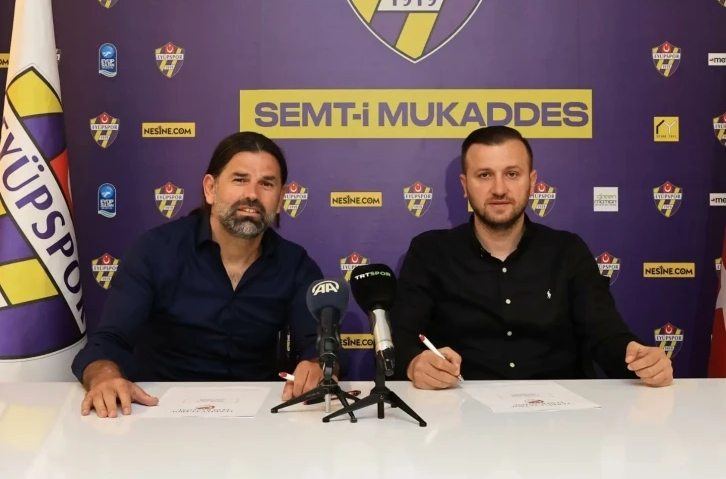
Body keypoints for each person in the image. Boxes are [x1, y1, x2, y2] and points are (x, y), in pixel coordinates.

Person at [391, 126, 673, 389]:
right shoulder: (430, 252)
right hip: (462, 412)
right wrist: (415, 364)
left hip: (561, 415)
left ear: (532, 181)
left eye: (512, 174)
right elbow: (401, 340)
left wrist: (639, 358)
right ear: (465, 185)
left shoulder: (567, 251)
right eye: (485, 175)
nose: (499, 189)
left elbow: (605, 334)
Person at [73, 132, 326, 417]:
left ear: (280, 200)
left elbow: (320, 346)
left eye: (266, 183)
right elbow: (107, 342)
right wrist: (104, 377)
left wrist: (317, 365)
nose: (252, 194)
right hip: (160, 413)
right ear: (210, 188)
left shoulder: (295, 264)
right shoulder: (156, 252)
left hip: (260, 418)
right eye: (239, 179)